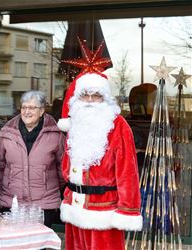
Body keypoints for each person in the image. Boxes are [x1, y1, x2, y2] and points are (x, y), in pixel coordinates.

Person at [57, 72, 142, 250]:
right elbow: (67, 165)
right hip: (74, 206)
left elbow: (128, 173)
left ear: (105, 99)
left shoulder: (118, 126)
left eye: (95, 96)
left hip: (104, 211)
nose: (89, 101)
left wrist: (127, 210)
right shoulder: (76, 123)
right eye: (84, 95)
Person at [0, 90, 65, 228]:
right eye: (24, 107)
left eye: (32, 108)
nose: (27, 112)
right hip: (12, 202)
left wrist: (47, 187)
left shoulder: (56, 135)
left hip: (43, 205)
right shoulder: (7, 134)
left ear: (42, 110)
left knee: (38, 245)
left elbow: (63, 168)